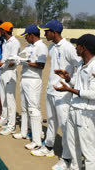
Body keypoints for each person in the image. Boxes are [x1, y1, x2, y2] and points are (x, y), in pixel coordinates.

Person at [31, 20, 80, 170]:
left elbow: (78, 65)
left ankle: (66, 158)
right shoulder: (51, 47)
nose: (45, 34)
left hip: (63, 92)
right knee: (51, 120)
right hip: (51, 90)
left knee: (65, 125)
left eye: (47, 31)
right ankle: (49, 147)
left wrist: (70, 83)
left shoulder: (68, 48)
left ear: (55, 32)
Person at [53, 34, 95, 170]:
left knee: (88, 150)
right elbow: (77, 84)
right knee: (73, 144)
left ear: (84, 48)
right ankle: (74, 167)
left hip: (86, 113)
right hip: (74, 108)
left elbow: (93, 94)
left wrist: (71, 91)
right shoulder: (81, 64)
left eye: (77, 45)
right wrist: (67, 78)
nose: (75, 48)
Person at [12, 25, 48, 151]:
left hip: (33, 80)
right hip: (25, 78)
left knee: (33, 109)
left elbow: (41, 65)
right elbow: (22, 57)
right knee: (24, 108)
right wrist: (18, 59)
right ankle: (23, 132)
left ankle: (37, 140)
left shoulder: (41, 46)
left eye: (26, 36)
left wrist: (25, 62)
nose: (26, 38)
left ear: (32, 35)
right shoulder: (28, 46)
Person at [0, 22, 20, 136]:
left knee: (10, 100)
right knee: (4, 98)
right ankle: (4, 119)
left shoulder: (14, 43)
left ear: (5, 31)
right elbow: (4, 58)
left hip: (9, 73)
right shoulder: (5, 42)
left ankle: (11, 126)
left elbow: (11, 62)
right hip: (2, 72)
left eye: (0, 29)